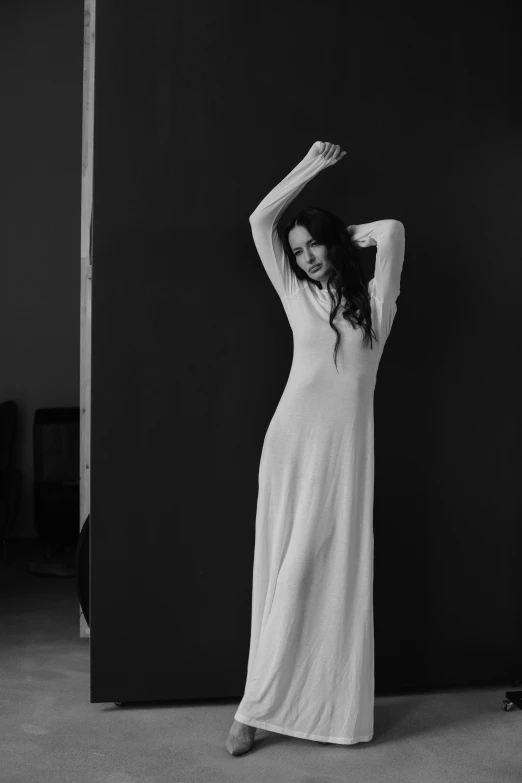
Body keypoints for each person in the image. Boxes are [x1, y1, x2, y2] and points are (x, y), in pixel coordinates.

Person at [225, 141, 406, 756]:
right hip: (292, 449)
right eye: (297, 251)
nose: (305, 260)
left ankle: (323, 710)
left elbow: (394, 231)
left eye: (314, 246)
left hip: (345, 461)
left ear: (335, 244)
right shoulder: (296, 295)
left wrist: (349, 234)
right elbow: (258, 223)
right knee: (286, 575)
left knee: (330, 580)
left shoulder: (378, 306)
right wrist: (310, 168)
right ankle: (252, 711)